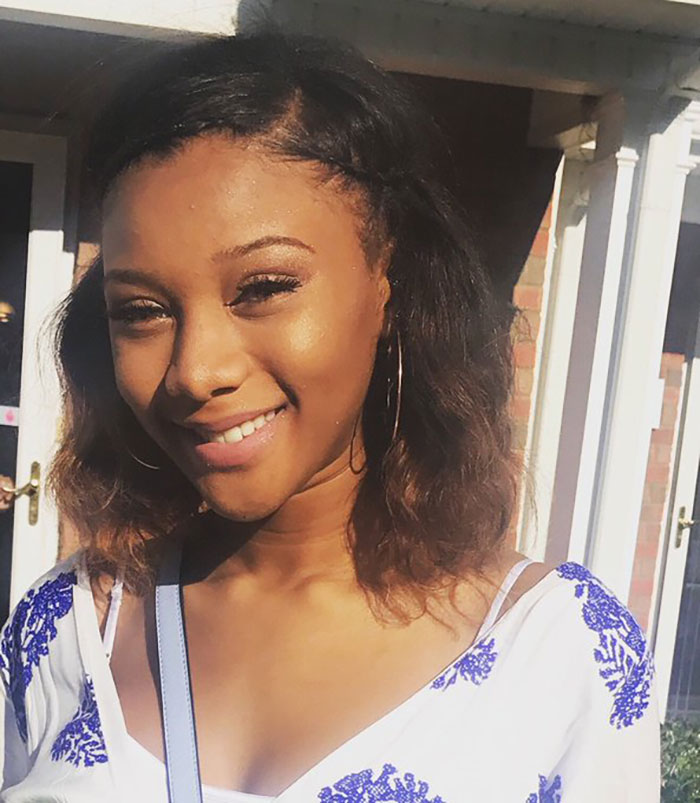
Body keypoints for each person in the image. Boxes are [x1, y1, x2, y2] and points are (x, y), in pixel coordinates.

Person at [0, 30, 659, 803]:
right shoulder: (71, 627)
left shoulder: (560, 652)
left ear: (389, 283)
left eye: (265, 286)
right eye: (143, 310)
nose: (195, 371)